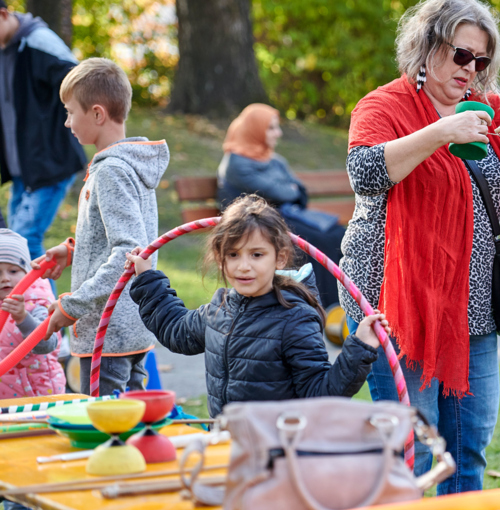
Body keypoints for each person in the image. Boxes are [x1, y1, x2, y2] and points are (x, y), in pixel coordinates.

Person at [342, 0, 500, 494]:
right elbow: (364, 173)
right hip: (397, 305)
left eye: (482, 61)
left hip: (473, 307)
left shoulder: (489, 107)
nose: (470, 69)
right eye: (460, 55)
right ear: (426, 49)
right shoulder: (383, 106)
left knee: (469, 446)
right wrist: (441, 131)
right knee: (416, 449)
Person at [127, 195, 383, 416]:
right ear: (221, 259)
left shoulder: (295, 319)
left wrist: (358, 348)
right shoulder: (220, 308)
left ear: (280, 257)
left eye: (257, 254)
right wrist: (147, 278)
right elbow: (176, 330)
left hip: (278, 451)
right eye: (233, 254)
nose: (244, 266)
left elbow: (321, 394)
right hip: (229, 443)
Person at [33, 58, 167, 397]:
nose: (66, 122)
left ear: (96, 114)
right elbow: (128, 237)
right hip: (131, 323)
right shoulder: (128, 165)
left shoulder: (111, 172)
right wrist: (74, 250)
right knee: (135, 418)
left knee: (107, 424)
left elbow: (128, 250)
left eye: (69, 112)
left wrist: (72, 305)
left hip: (109, 331)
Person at [217, 103, 346, 308]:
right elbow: (281, 192)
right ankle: (324, 306)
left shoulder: (274, 160)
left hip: (279, 218)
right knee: (316, 239)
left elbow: (300, 193)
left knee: (338, 234)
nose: (278, 133)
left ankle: (340, 304)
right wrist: (289, 190)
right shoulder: (236, 163)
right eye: (271, 128)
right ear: (254, 130)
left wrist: (290, 191)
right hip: (254, 223)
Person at [0, 2, 86, 257]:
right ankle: (25, 299)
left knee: (25, 243)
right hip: (22, 169)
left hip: (50, 162)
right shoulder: (4, 48)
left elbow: (83, 84)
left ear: (3, 15)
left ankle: (40, 299)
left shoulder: (39, 42)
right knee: (12, 245)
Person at [0, 229, 72, 510]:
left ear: (27, 271)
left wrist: (22, 318)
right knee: (13, 484)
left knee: (50, 476)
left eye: (13, 270)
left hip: (42, 405)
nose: (5, 278)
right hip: (6, 410)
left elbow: (48, 345)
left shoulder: (39, 299)